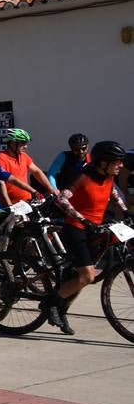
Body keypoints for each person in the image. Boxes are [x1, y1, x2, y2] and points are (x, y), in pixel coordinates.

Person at [49, 141, 128, 334]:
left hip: (95, 227)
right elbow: (61, 199)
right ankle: (50, 303)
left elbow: (113, 194)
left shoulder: (108, 176)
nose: (121, 165)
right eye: (117, 162)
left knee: (81, 277)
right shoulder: (84, 177)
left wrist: (125, 211)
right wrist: (83, 220)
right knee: (87, 276)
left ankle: (62, 310)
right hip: (76, 227)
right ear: (103, 163)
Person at [0, 128, 57, 203]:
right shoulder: (1, 157)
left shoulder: (23, 156)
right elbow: (1, 183)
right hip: (11, 203)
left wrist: (51, 189)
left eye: (26, 143)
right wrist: (9, 206)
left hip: (27, 201)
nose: (26, 146)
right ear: (12, 143)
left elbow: (37, 172)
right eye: (23, 143)